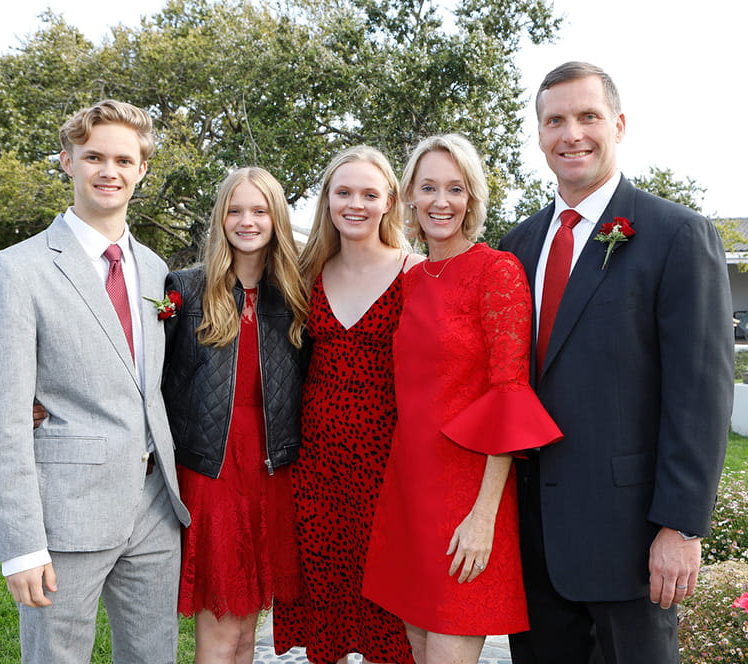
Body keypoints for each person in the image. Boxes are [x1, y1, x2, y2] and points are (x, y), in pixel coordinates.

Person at [499, 61, 733, 663]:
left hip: (631, 542)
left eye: (587, 117)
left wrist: (680, 529)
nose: (570, 133)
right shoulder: (516, 247)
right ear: (540, 134)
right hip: (534, 542)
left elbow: (700, 392)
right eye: (555, 121)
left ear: (619, 125)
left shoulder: (676, 234)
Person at [0, 100, 190, 663]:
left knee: (154, 655)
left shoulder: (157, 270)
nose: (108, 170)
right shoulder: (16, 270)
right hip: (63, 513)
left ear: (142, 170)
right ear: (67, 162)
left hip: (156, 507)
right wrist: (21, 547)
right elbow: (4, 419)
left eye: (123, 159)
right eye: (94, 157)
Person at [362, 134, 562, 664]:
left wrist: (483, 518)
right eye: (428, 187)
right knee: (418, 645)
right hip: (408, 490)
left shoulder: (496, 271)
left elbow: (509, 396)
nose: (440, 201)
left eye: (454, 188)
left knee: (448, 648)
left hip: (467, 496)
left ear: (472, 198)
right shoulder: (409, 278)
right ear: (409, 195)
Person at [272, 145, 420, 664]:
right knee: (328, 613)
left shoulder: (416, 272)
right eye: (344, 192)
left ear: (389, 203)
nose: (355, 204)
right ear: (327, 201)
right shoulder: (304, 272)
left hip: (389, 468)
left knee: (392, 616)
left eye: (369, 194)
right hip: (317, 467)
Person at [160, 167, 308, 663]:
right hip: (212, 470)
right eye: (235, 210)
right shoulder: (184, 290)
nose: (247, 221)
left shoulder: (294, 296)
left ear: (276, 218)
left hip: (271, 471)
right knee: (221, 632)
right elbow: (139, 371)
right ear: (221, 217)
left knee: (247, 634)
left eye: (259, 210)